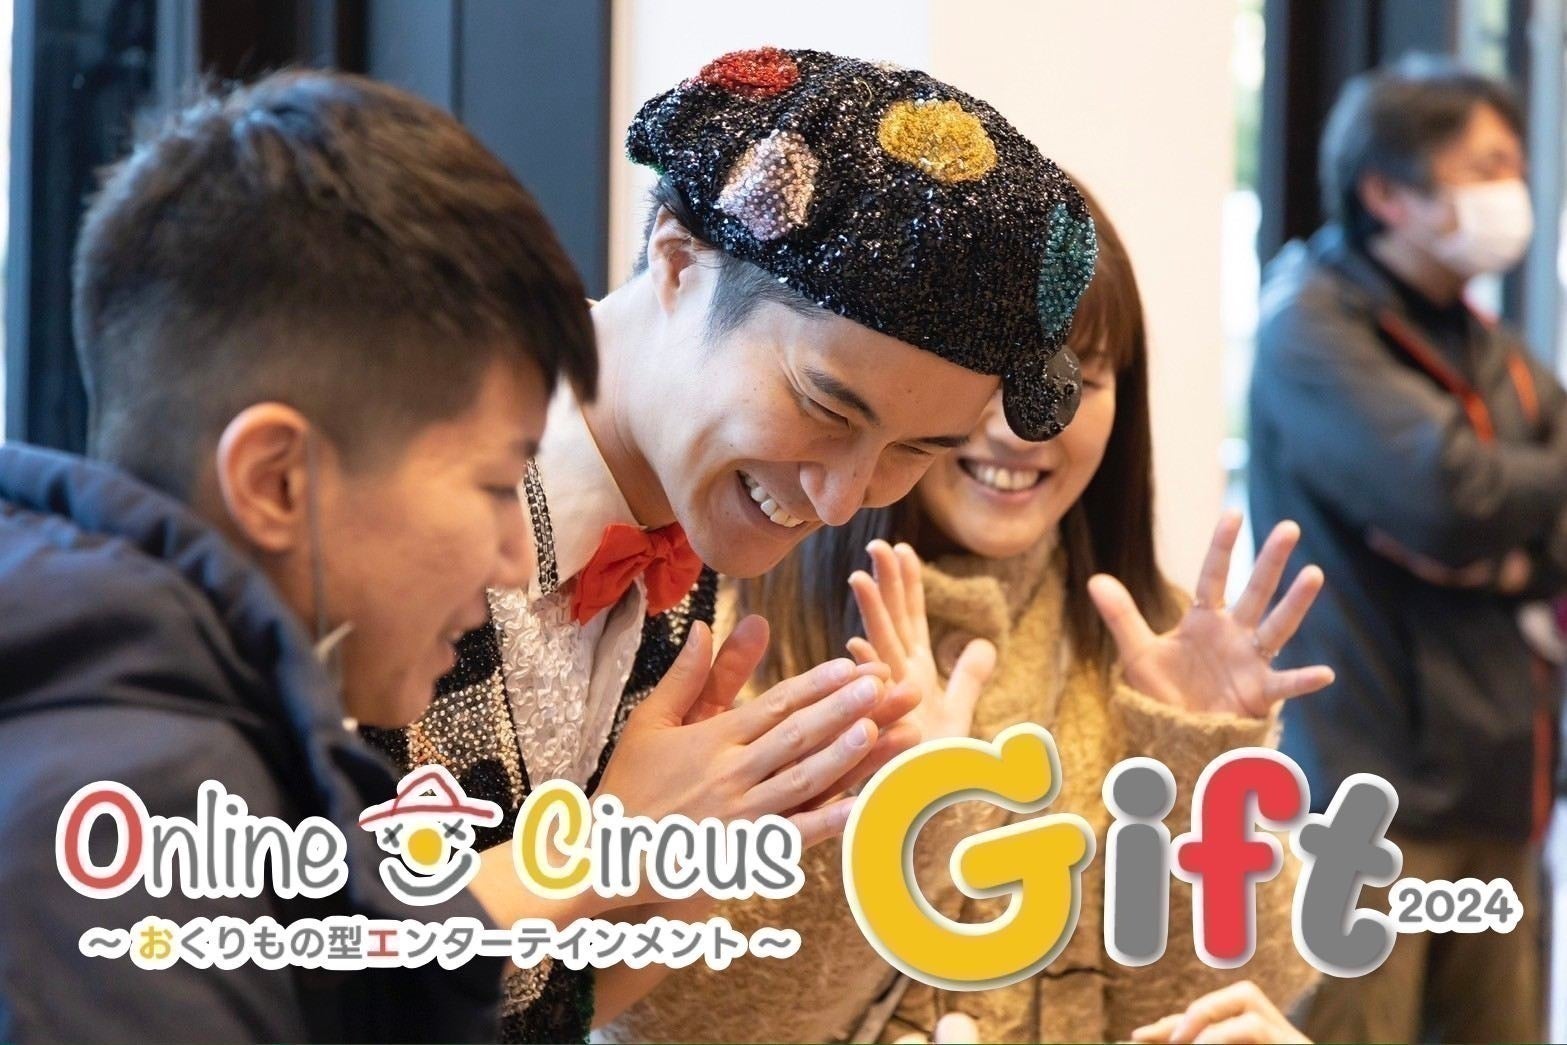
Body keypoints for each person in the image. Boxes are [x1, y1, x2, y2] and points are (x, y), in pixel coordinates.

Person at [0, 70, 887, 1043]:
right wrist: (598, 849)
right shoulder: (140, 803)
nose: (512, 558)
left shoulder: (202, 734)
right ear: (276, 480)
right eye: (494, 482)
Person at [369, 47, 1101, 1041]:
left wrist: (703, 865)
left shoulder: (689, 547)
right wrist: (604, 847)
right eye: (825, 407)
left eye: (914, 451)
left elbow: (553, 1002)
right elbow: (253, 966)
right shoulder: (387, 481)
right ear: (677, 261)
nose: (842, 500)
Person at [606, 187, 1323, 1044]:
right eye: (990, 385)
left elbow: (1227, 1009)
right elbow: (661, 1020)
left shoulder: (1155, 643)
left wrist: (1198, 766)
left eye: (1074, 384)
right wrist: (908, 821)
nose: (1022, 434)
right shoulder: (719, 628)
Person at [1249, 54, 1567, 1043]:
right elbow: (1445, 499)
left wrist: (1509, 552)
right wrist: (1498, 518)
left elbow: (1494, 511)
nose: (1512, 191)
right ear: (1387, 193)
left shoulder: (1498, 351)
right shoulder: (1308, 324)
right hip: (1362, 796)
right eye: (1485, 167)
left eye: (1514, 167)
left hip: (1499, 786)